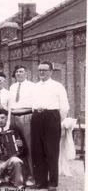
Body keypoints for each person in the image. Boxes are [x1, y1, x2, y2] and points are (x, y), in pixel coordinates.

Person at [31, 61, 69, 190]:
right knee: (37, 150)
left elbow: (64, 107)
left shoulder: (58, 86)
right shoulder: (35, 86)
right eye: (40, 70)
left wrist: (57, 122)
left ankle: (53, 183)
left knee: (51, 151)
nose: (42, 72)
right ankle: (40, 181)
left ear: (51, 71)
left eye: (45, 70)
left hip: (52, 117)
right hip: (37, 117)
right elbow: (32, 103)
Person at [8, 65, 35, 185]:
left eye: (21, 71)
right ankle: (19, 175)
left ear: (26, 73)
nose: (19, 74)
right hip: (13, 117)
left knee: (28, 146)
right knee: (14, 146)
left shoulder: (32, 86)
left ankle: (32, 176)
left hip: (26, 116)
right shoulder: (12, 87)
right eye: (17, 71)